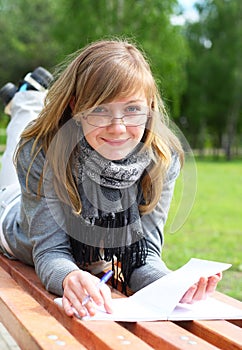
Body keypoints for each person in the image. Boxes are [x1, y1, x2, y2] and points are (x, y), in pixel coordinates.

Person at [0, 38, 222, 318]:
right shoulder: (42, 151)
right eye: (99, 110)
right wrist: (69, 276)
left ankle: (26, 96)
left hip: (85, 258)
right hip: (13, 223)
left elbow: (144, 256)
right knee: (19, 148)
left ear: (150, 106)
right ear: (76, 109)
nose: (117, 129)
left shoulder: (161, 159)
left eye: (132, 109)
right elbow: (49, 251)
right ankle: (27, 98)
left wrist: (171, 285)